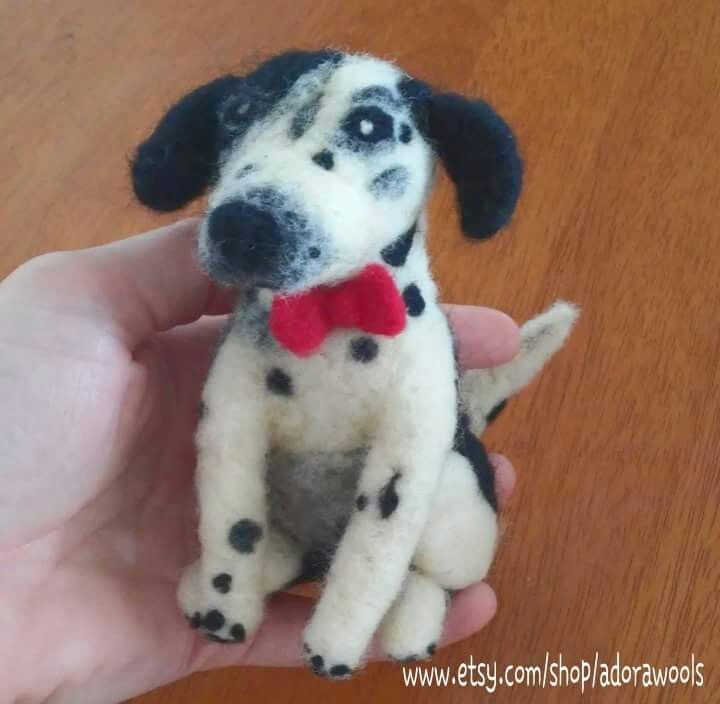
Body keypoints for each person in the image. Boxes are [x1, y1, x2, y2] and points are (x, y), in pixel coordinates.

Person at [0, 219, 518, 703]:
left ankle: (422, 586)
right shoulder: (255, 323)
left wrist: (346, 623)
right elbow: (229, 448)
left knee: (442, 505)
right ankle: (257, 571)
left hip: (410, 502)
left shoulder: (414, 336)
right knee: (232, 446)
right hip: (287, 514)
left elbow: (405, 473)